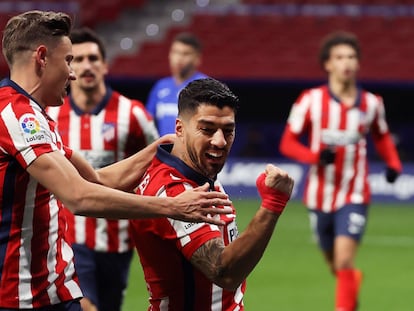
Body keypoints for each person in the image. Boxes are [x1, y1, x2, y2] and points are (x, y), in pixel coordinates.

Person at [0, 10, 232, 310]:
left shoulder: (36, 115)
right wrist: (172, 207)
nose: (73, 72)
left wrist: (156, 149)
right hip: (22, 298)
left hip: (54, 289)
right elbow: (79, 197)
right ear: (42, 57)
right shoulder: (16, 116)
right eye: (69, 60)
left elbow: (97, 179)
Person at [130, 77, 295, 310]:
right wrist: (272, 205)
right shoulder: (176, 192)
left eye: (228, 131)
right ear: (180, 129)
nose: (219, 141)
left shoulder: (199, 172)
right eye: (206, 129)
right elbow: (224, 272)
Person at [279, 31, 402, 311]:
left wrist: (393, 164)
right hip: (319, 194)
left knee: (344, 260)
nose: (346, 62)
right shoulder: (310, 100)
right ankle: (350, 283)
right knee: (335, 264)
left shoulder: (372, 103)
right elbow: (287, 142)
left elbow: (381, 136)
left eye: (351, 57)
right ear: (328, 64)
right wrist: (314, 156)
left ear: (358, 63)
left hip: (355, 192)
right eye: (339, 57)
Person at [46, 27, 159, 311]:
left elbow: (155, 162)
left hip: (118, 238)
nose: (86, 66)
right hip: (71, 237)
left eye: (93, 58)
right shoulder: (50, 115)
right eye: (78, 59)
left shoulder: (132, 113)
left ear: (105, 65)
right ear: (69, 68)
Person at [146, 32, 207, 136]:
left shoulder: (205, 86)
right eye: (175, 52)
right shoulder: (161, 86)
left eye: (186, 54)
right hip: (163, 150)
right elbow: (147, 122)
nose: (179, 58)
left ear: (197, 59)